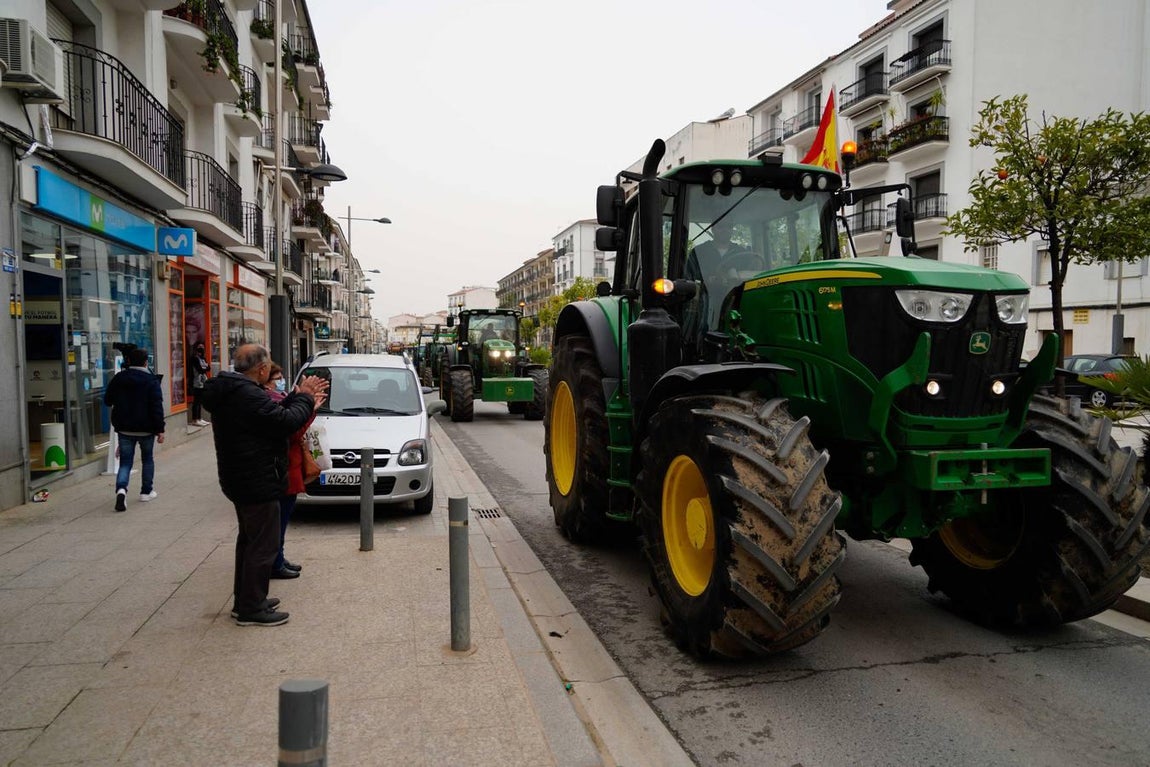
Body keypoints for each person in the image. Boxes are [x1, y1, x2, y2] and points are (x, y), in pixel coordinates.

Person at [200, 344, 328, 627]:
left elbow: (269, 414)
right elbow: (285, 422)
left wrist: (295, 396)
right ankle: (252, 608)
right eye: (269, 364)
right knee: (262, 545)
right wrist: (305, 398)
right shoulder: (246, 394)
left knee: (249, 542)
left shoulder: (235, 391)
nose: (271, 369)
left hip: (241, 477)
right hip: (256, 479)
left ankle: (246, 600)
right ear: (261, 369)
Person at [263, 363, 312, 580]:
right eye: (277, 378)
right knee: (278, 520)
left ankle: (278, 558)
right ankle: (275, 562)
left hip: (288, 465)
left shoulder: (279, 397)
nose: (280, 381)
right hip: (283, 467)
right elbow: (291, 431)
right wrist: (311, 411)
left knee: (282, 518)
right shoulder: (269, 401)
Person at [104, 347, 166, 512]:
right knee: (147, 459)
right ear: (146, 362)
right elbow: (156, 407)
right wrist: (160, 429)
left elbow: (107, 400)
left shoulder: (119, 378)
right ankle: (146, 491)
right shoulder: (151, 381)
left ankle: (121, 490)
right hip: (146, 429)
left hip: (124, 428)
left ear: (129, 361)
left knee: (125, 462)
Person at [189, 342, 211, 427]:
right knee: (196, 401)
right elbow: (200, 369)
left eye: (202, 347)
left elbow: (208, 368)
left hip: (202, 382)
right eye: (199, 347)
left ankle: (199, 418)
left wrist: (204, 367)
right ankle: (195, 419)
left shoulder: (203, 358)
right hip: (196, 382)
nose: (201, 349)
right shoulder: (194, 358)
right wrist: (204, 368)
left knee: (199, 401)